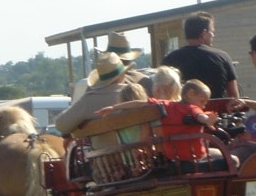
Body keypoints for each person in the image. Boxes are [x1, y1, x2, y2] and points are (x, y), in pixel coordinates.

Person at [98, 79, 238, 166]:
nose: (203, 105)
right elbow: (200, 116)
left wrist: (114, 107)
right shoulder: (192, 108)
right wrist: (208, 120)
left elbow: (140, 103)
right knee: (233, 160)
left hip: (172, 157)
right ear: (190, 94)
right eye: (202, 101)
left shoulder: (165, 105)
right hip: (192, 157)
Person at [55, 52, 133, 148]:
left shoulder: (89, 101)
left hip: (103, 161)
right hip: (142, 158)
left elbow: (61, 125)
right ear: (123, 75)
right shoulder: (136, 93)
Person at [162, 11, 239, 99]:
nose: (213, 35)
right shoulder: (222, 57)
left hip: (181, 112)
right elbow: (234, 97)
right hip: (217, 111)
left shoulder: (169, 60)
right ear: (204, 34)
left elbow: (164, 95)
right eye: (212, 31)